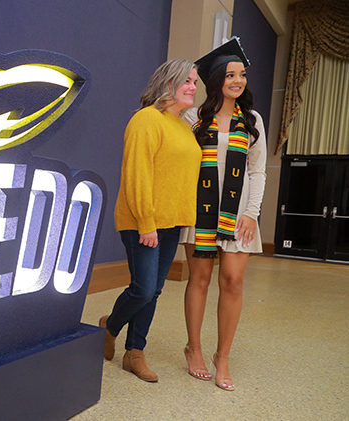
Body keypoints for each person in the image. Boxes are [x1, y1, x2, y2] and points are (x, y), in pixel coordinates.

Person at [100, 59, 201, 382]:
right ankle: (109, 327)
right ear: (167, 83)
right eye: (186, 80)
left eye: (195, 82)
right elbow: (137, 174)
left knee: (154, 290)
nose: (193, 87)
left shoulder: (184, 126)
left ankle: (135, 352)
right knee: (143, 289)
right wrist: (147, 221)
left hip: (172, 222)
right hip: (143, 219)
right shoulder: (146, 120)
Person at [179, 37, 266, 391]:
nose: (238, 81)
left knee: (232, 279)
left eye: (241, 74)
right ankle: (194, 348)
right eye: (230, 75)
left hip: (238, 214)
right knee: (199, 279)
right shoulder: (193, 118)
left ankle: (222, 356)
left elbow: (258, 171)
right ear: (216, 80)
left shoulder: (252, 119)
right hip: (201, 211)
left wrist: (251, 213)